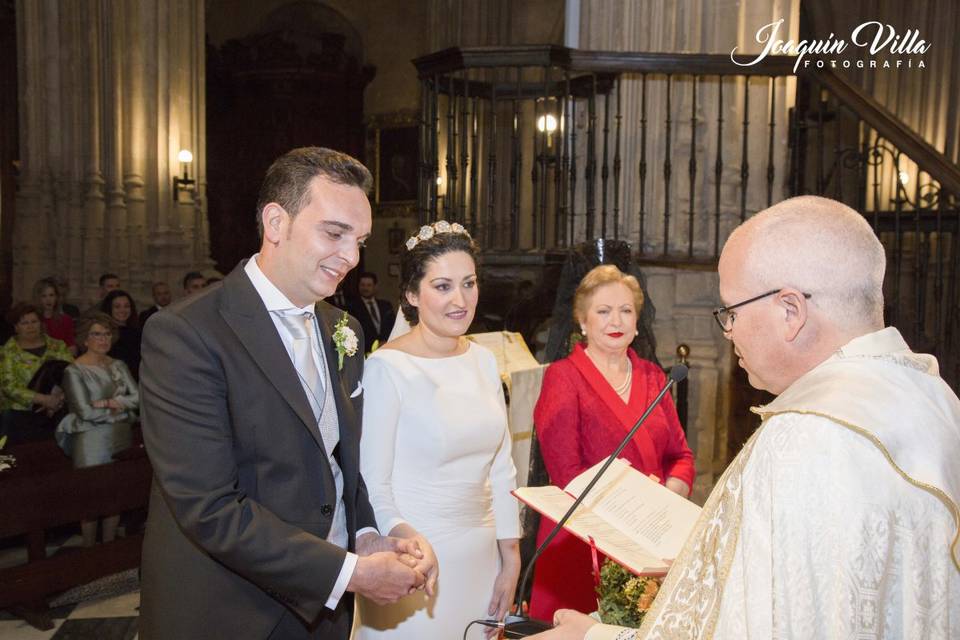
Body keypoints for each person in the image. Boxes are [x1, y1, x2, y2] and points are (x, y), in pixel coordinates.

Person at [532, 195, 960, 639]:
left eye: (731, 311)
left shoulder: (805, 438)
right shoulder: (934, 398)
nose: (728, 330)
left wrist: (592, 636)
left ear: (790, 311)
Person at [139, 147, 430, 640]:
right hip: (230, 611)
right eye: (334, 233)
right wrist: (349, 574)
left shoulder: (344, 328)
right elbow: (209, 507)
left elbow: (339, 461)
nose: (351, 257)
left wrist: (366, 535)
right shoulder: (186, 333)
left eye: (359, 240)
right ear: (276, 222)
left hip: (325, 612)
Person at [356, 220, 521, 639]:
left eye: (469, 283)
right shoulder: (387, 369)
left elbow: (502, 468)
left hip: (483, 556)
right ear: (412, 294)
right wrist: (405, 537)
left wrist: (510, 557)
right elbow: (373, 483)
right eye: (443, 286)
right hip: (415, 558)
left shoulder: (483, 360)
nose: (460, 300)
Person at [528, 265, 695, 621]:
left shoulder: (653, 376)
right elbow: (566, 473)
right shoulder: (563, 378)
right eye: (603, 311)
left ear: (637, 322)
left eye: (626, 310)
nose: (615, 320)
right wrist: (637, 500)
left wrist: (666, 495)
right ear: (583, 321)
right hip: (580, 543)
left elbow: (680, 455)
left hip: (647, 546)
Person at [56, 313, 139, 546]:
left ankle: (110, 549)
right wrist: (121, 408)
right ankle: (88, 551)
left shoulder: (118, 365)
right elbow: (85, 412)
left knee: (116, 497)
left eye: (107, 334)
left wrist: (110, 404)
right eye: (96, 334)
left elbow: (138, 398)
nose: (103, 339)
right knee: (90, 499)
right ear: (85, 338)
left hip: (120, 436)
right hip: (90, 440)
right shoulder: (74, 371)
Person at [0, 302, 73, 445]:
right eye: (24, 323)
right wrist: (44, 400)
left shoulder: (58, 346)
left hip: (58, 410)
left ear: (41, 323)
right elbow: (9, 387)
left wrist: (58, 399)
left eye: (34, 321)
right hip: (19, 413)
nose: (30, 326)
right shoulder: (6, 352)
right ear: (16, 327)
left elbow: (73, 375)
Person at [350, 271, 395, 353]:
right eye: (362, 285)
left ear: (375, 286)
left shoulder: (386, 305)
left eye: (369, 285)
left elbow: (392, 326)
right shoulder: (352, 307)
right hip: (364, 351)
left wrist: (385, 341)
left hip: (387, 349)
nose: (365, 288)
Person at [100, 290, 141, 380]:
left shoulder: (138, 332)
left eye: (126, 306)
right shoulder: (103, 334)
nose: (122, 310)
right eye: (117, 307)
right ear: (109, 309)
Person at [34, 277, 76, 353]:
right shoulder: (33, 320)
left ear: (56, 297)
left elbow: (71, 346)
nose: (48, 299)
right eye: (44, 296)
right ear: (38, 298)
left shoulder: (66, 320)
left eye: (51, 295)